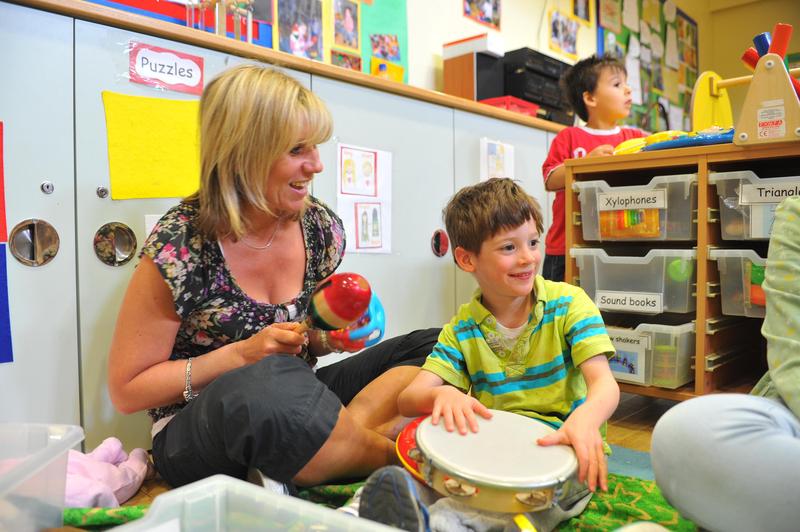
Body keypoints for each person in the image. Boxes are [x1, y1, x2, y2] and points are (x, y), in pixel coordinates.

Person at [107, 64, 440, 491]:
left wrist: (331, 338)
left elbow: (306, 344)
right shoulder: (181, 245)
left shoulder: (319, 227)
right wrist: (240, 357)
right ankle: (396, 459)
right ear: (245, 151)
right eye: (298, 150)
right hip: (198, 428)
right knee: (271, 386)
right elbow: (128, 390)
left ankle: (327, 449)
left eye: (316, 147)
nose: (317, 165)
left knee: (438, 344)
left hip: (294, 399)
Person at [359, 178, 620, 531]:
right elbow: (409, 398)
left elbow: (604, 384)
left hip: (564, 448)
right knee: (434, 473)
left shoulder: (570, 304)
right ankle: (368, 512)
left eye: (532, 242)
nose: (528, 257)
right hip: (493, 450)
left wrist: (586, 419)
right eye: (509, 248)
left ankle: (443, 524)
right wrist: (442, 393)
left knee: (525, 507)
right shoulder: (463, 328)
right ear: (467, 259)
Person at [651, 196, 800, 532]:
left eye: (531, 243)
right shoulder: (796, 216)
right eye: (509, 248)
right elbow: (792, 357)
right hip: (792, 406)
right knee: (685, 432)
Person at [541, 54, 645, 281]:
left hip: (621, 243)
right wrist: (586, 164)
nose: (628, 90)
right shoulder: (569, 137)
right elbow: (550, 179)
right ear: (590, 98)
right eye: (617, 84)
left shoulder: (634, 137)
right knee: (555, 311)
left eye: (627, 84)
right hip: (566, 246)